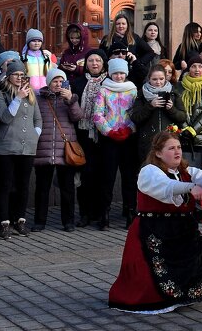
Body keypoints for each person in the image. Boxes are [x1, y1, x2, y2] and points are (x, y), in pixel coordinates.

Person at [107, 129, 202, 313]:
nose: (177, 152)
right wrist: (190, 188)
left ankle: (184, 294)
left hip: (181, 230)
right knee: (153, 276)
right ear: (158, 153)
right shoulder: (149, 172)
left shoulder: (185, 171)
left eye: (179, 147)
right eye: (171, 148)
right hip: (154, 231)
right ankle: (164, 298)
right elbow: (165, 186)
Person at [0, 60, 42, 239]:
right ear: (9, 76)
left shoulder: (31, 94)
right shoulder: (1, 94)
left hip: (27, 146)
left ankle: (20, 220)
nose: (20, 78)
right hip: (7, 146)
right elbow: (5, 117)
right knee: (5, 185)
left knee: (23, 185)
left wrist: (35, 134)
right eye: (16, 75)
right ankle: (4, 222)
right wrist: (18, 97)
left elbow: (38, 119)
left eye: (22, 75)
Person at [92, 58, 139, 228]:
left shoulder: (133, 90)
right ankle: (104, 213)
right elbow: (97, 114)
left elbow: (137, 113)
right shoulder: (104, 90)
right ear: (111, 73)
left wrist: (129, 129)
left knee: (129, 177)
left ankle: (131, 211)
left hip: (128, 139)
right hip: (110, 139)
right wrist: (109, 131)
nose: (119, 77)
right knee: (108, 177)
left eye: (121, 73)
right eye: (116, 73)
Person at [33, 68, 83, 232]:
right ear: (48, 83)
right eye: (55, 81)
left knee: (67, 188)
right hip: (44, 148)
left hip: (65, 150)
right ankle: (39, 221)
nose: (58, 84)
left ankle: (68, 221)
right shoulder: (39, 98)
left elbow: (77, 117)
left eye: (62, 81)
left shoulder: (70, 99)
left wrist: (71, 101)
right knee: (42, 188)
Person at [72, 49, 108, 227]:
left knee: (102, 176)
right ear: (86, 63)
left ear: (104, 63)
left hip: (104, 136)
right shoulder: (78, 83)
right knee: (85, 176)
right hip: (83, 135)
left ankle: (101, 214)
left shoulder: (110, 83)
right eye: (91, 61)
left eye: (98, 61)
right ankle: (85, 214)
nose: (94, 64)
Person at [131, 64, 187, 161]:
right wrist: (150, 106)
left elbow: (183, 117)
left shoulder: (173, 92)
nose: (158, 82)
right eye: (154, 79)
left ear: (165, 78)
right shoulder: (141, 94)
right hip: (148, 142)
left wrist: (172, 109)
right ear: (149, 79)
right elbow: (136, 118)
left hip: (169, 141)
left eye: (161, 79)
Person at [175, 55, 202, 169]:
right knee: (183, 173)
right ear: (188, 69)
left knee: (200, 175)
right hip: (182, 136)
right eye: (193, 66)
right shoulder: (179, 87)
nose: (197, 70)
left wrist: (193, 130)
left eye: (200, 66)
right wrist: (185, 129)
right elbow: (176, 109)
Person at [102, 11, 154, 89]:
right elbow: (101, 56)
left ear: (127, 25)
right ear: (114, 25)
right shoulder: (107, 39)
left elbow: (150, 52)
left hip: (131, 75)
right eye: (118, 24)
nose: (121, 26)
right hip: (113, 74)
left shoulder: (134, 37)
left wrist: (138, 62)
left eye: (123, 24)